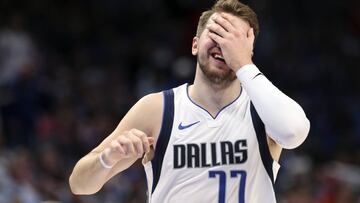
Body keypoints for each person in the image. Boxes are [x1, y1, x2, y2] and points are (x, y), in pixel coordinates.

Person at [69, 0, 310, 202]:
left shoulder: (263, 109)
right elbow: (80, 184)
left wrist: (244, 65)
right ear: (195, 44)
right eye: (216, 33)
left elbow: (294, 133)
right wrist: (106, 158)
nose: (223, 44)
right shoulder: (158, 109)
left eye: (233, 38)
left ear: (248, 52)